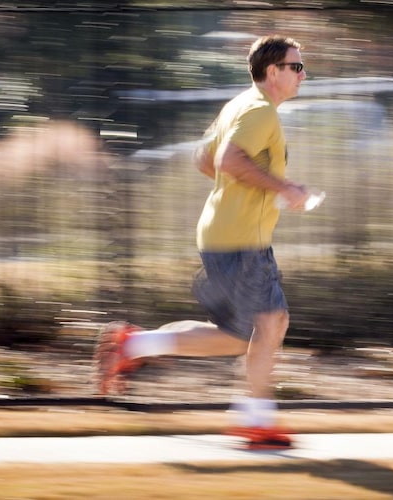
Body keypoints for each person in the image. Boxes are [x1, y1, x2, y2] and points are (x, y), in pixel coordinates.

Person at [94, 35, 311, 449]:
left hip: (226, 235)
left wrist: (246, 190)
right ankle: (256, 421)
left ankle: (134, 344)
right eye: (296, 67)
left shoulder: (240, 104)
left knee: (235, 335)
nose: (303, 75)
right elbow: (227, 161)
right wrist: (281, 187)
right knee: (271, 322)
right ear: (273, 72)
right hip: (241, 241)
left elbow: (204, 158)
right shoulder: (261, 111)